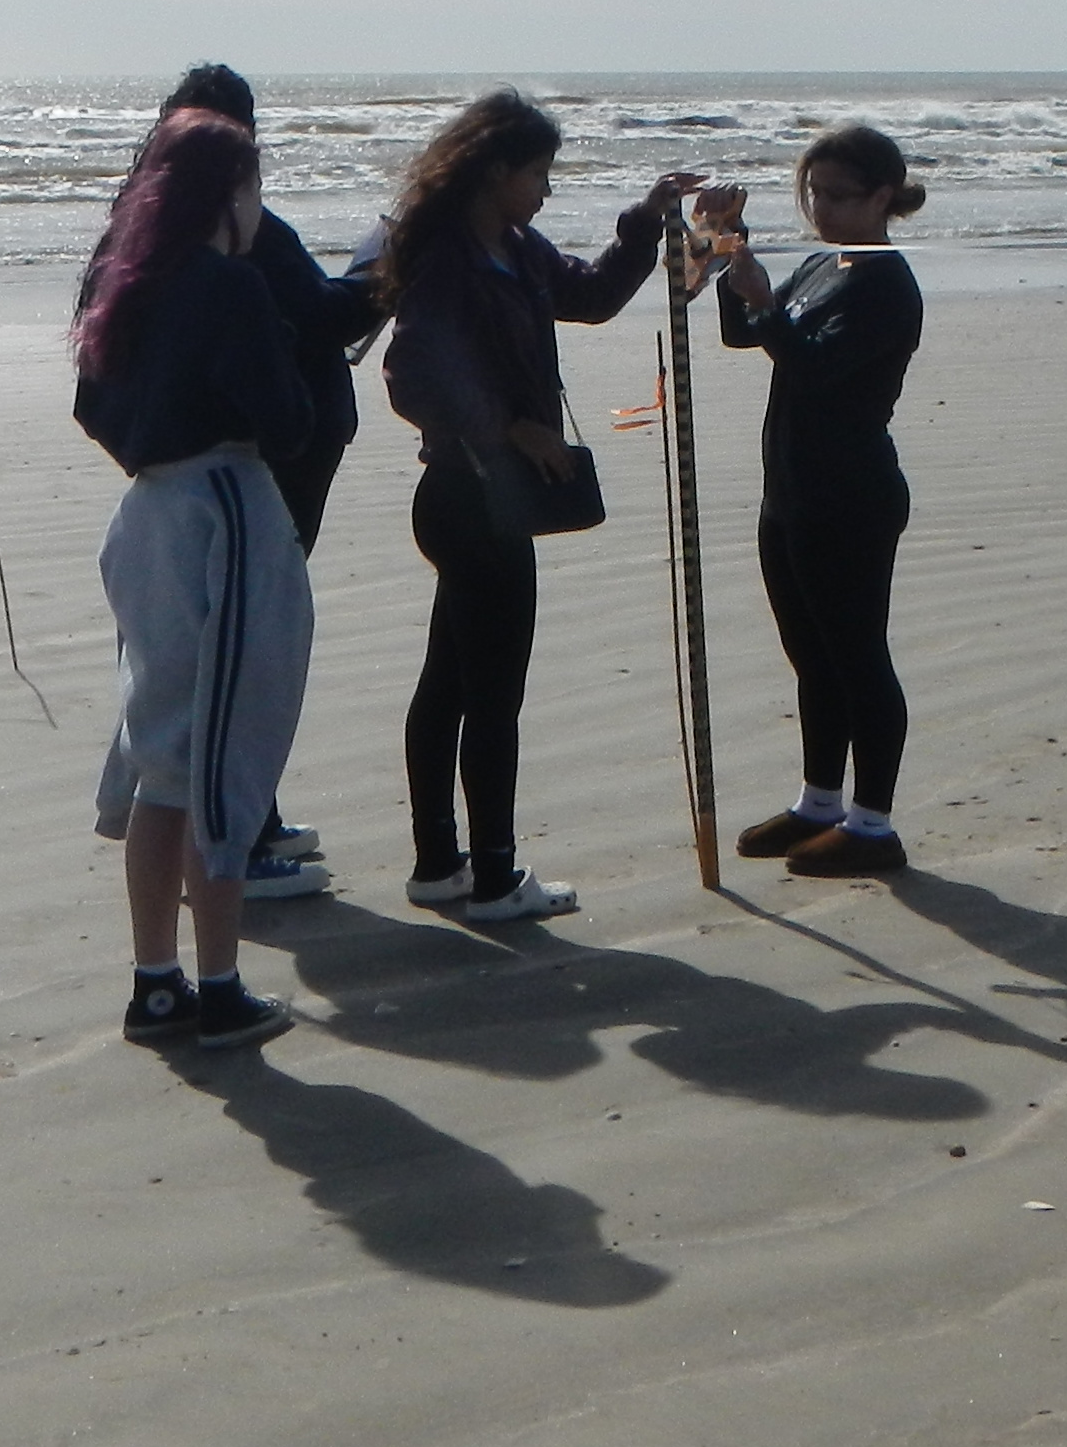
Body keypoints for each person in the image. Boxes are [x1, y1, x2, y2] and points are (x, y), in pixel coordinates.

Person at [378, 90, 695, 925]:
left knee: (450, 679)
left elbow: (589, 297)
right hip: (464, 496)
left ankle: (439, 865)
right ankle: (492, 876)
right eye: (538, 172)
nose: (546, 188)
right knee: (489, 695)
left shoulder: (512, 247)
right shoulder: (447, 260)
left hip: (486, 500)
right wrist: (512, 428)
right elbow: (410, 378)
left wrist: (644, 222)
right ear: (492, 171)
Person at [73, 110, 319, 1051]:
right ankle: (216, 982)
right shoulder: (228, 285)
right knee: (227, 753)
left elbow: (91, 404)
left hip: (147, 513)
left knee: (164, 756)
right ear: (232, 193)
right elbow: (287, 422)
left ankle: (158, 980)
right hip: (226, 504)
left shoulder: (124, 278)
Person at [158, 65, 388, 901]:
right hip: (252, 468)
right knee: (244, 655)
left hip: (233, 467)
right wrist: (379, 269)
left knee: (229, 653)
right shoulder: (230, 243)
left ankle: (250, 818)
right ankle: (237, 840)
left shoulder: (170, 233)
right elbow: (329, 316)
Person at [705, 122, 927, 877]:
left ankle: (874, 824)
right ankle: (819, 802)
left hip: (851, 497)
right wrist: (733, 251)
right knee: (812, 658)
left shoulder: (885, 283)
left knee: (858, 656)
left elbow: (817, 367)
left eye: (837, 195)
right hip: (792, 489)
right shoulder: (822, 264)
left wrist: (766, 303)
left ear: (881, 196)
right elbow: (748, 332)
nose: (822, 208)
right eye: (812, 193)